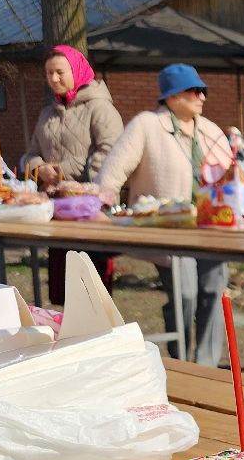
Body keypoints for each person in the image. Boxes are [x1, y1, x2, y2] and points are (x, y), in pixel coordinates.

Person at [89, 63, 234, 365]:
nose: (202, 97)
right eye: (194, 91)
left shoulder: (210, 131)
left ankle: (206, 366)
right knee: (187, 295)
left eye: (203, 91)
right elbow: (113, 171)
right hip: (169, 232)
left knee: (214, 292)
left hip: (210, 228)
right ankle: (181, 359)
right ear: (171, 95)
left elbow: (231, 177)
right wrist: (102, 209)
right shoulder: (147, 125)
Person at [21, 44, 124, 303]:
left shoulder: (100, 108)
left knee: (94, 295)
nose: (53, 79)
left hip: (92, 212)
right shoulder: (47, 113)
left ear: (76, 70)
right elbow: (30, 153)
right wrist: (38, 168)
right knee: (63, 292)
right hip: (57, 212)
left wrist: (61, 171)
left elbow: (111, 154)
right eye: (48, 74)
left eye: (59, 72)